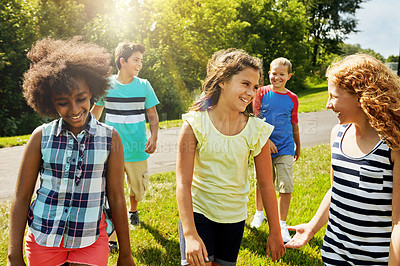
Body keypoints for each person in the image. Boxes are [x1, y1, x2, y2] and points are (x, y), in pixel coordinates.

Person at [7, 37, 135, 266]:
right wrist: (13, 255)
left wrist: (125, 254)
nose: (75, 109)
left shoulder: (109, 138)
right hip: (44, 238)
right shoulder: (40, 137)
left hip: (90, 240)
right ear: (50, 102)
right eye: (63, 102)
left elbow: (116, 197)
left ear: (93, 94)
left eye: (81, 99)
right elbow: (21, 197)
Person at [285, 54, 400, 265]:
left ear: (361, 96)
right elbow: (336, 190)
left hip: (376, 259)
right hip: (334, 252)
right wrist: (312, 227)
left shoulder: (392, 144)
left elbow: (398, 223)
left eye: (333, 96)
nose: (328, 105)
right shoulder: (338, 133)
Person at [176, 48, 286, 266]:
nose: (251, 92)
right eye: (245, 84)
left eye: (255, 87)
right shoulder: (194, 124)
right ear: (222, 81)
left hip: (234, 218)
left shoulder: (257, 130)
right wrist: (189, 235)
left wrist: (275, 231)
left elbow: (265, 184)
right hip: (199, 213)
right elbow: (182, 183)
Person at [91, 42, 159, 252]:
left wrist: (154, 136)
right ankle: (112, 238)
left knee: (137, 188)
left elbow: (153, 115)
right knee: (112, 191)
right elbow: (96, 112)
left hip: (138, 146)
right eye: (136, 60)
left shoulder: (144, 85)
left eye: (141, 60)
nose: (140, 64)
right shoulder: (107, 85)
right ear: (123, 61)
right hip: (112, 149)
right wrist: (84, 131)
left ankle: (133, 210)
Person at [250, 57, 300, 244]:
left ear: (289, 76)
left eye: (282, 74)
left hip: (285, 146)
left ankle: (282, 223)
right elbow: (254, 118)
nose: (277, 77)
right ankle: (259, 213)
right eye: (274, 73)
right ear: (269, 73)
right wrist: (266, 139)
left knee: (285, 184)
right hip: (263, 146)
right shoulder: (261, 92)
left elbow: (294, 123)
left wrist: (298, 145)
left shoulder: (292, 98)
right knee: (262, 182)